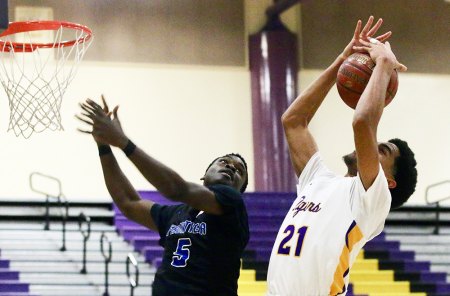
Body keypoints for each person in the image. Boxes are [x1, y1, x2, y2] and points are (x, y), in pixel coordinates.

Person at [266, 16, 417, 295]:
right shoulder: (317, 180)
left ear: (389, 182)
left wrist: (384, 64)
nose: (372, 145)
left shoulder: (372, 200)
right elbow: (293, 120)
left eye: (382, 150)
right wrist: (342, 60)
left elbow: (362, 122)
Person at [76, 96, 249, 296]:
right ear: (204, 174)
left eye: (239, 171)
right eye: (224, 161)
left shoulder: (231, 206)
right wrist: (103, 146)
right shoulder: (175, 214)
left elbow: (177, 189)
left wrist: (123, 142)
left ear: (239, 191)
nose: (231, 166)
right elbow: (128, 202)